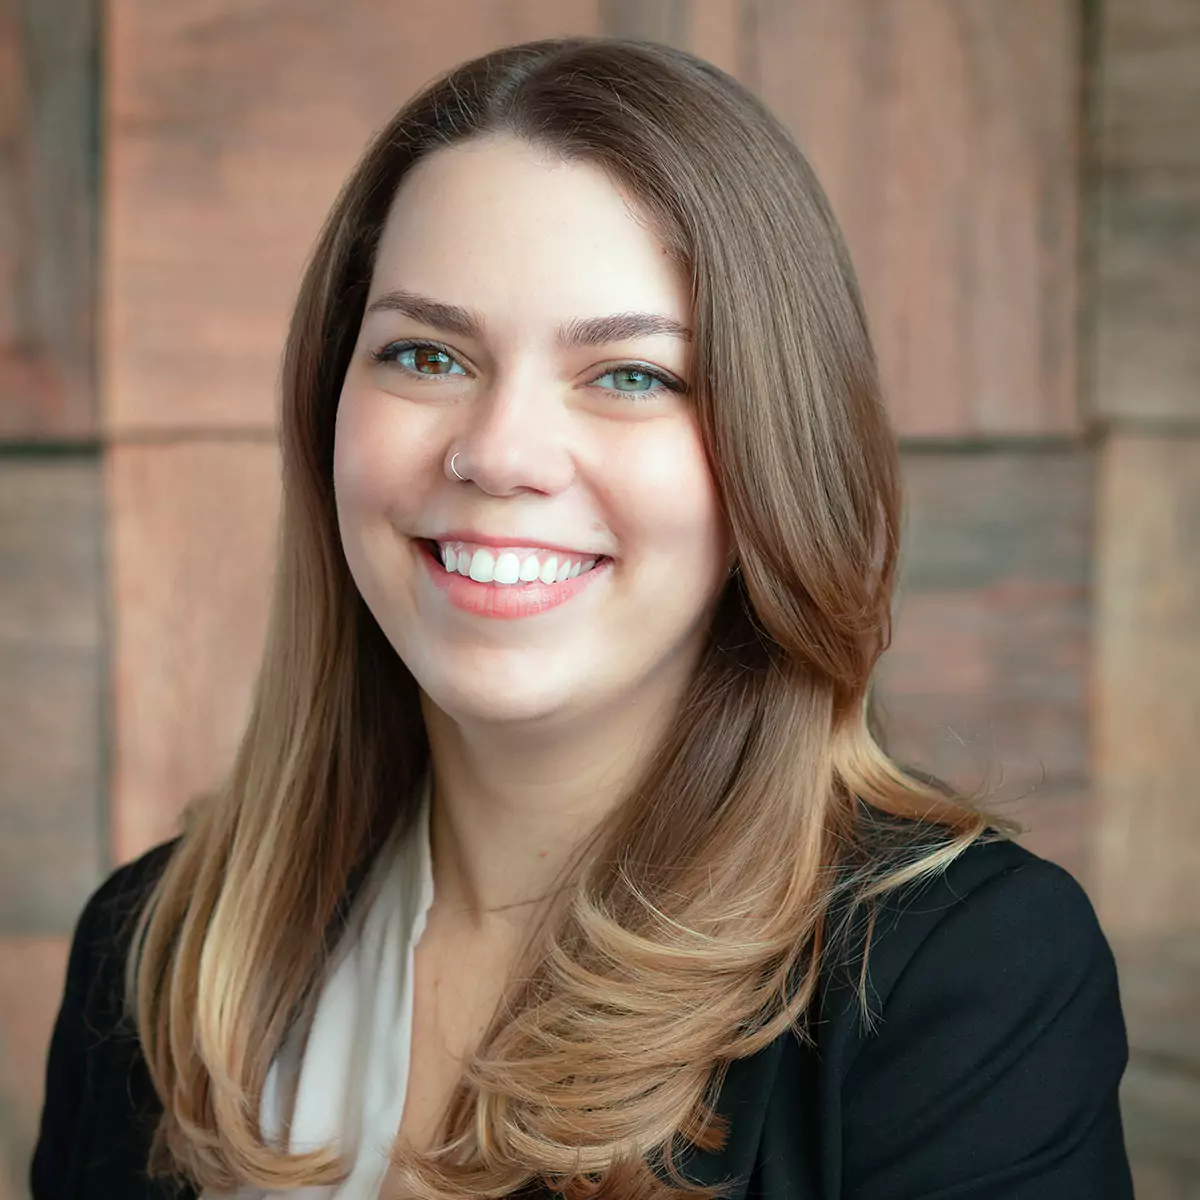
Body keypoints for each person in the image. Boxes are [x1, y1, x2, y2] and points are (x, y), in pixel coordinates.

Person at [30, 35, 1133, 1200]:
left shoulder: (963, 980)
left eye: (630, 376)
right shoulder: (151, 952)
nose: (498, 452)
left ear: (775, 451)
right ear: (327, 412)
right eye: (424, 353)